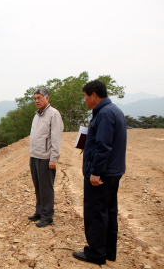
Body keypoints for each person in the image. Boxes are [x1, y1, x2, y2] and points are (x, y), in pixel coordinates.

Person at [73, 80, 127, 265]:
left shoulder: (103, 114)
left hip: (102, 173)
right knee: (109, 212)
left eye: (86, 97)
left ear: (94, 95)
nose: (85, 101)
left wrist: (95, 172)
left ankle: (95, 253)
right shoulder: (114, 110)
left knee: (96, 212)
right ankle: (108, 252)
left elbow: (103, 146)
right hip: (114, 171)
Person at [28, 88, 64, 227]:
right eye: (35, 98)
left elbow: (56, 138)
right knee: (38, 186)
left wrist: (54, 158)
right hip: (35, 155)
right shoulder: (37, 115)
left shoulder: (53, 114)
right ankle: (39, 211)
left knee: (46, 188)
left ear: (47, 98)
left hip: (45, 158)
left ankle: (47, 216)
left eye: (39, 98)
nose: (37, 101)